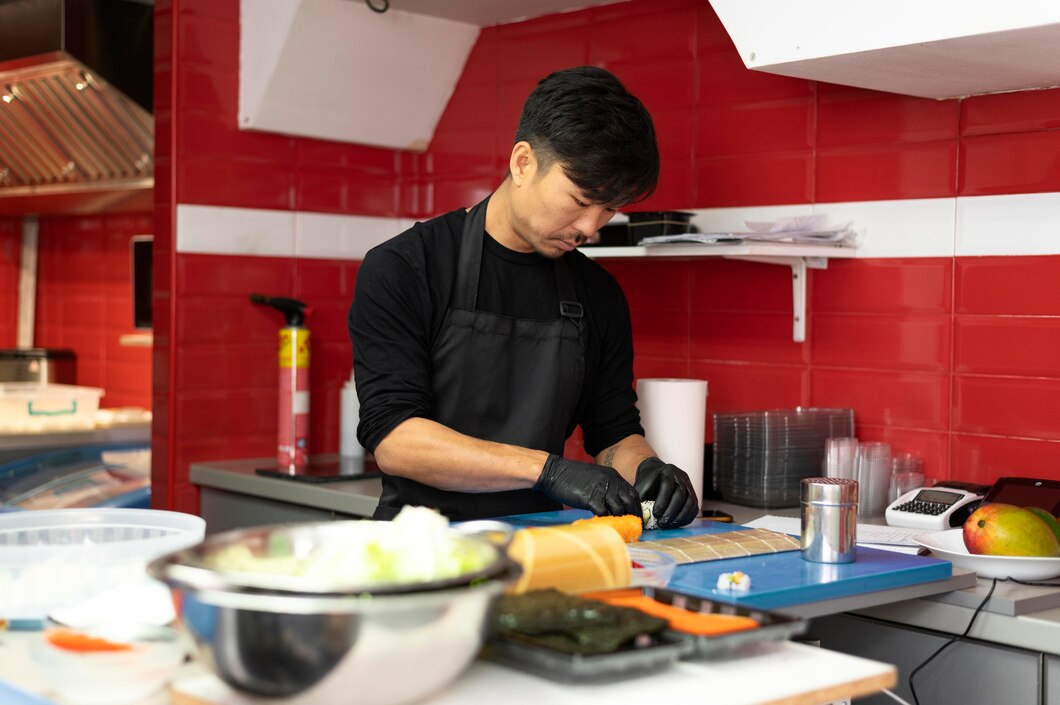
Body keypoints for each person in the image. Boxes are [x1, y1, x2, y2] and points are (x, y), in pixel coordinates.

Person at [349, 65, 699, 528]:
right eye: (579, 200)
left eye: (609, 209)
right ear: (522, 162)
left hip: (542, 545)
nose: (591, 228)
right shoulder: (406, 267)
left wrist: (650, 470)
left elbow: (613, 432)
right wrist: (546, 470)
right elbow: (396, 440)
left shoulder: (599, 294)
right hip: (421, 548)